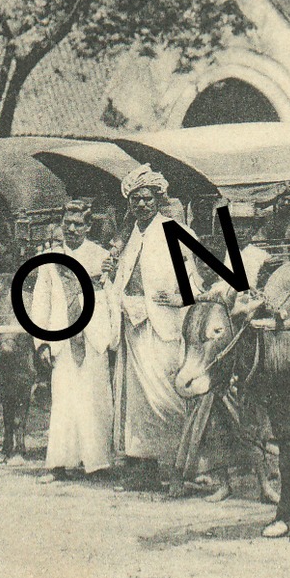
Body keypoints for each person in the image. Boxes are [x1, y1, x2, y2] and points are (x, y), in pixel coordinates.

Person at [109, 164, 228, 497]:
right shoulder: (131, 235)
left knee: (169, 395)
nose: (142, 205)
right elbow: (124, 278)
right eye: (136, 200)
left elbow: (195, 283)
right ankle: (142, 466)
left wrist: (177, 298)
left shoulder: (174, 231)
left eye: (147, 199)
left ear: (157, 199)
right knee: (137, 402)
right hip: (133, 326)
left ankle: (192, 465)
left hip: (166, 326)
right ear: (129, 203)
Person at [33, 201, 119, 483]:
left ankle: (98, 464)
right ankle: (58, 464)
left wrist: (113, 338)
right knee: (64, 400)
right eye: (67, 223)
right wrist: (42, 343)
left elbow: (111, 300)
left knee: (96, 400)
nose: (71, 229)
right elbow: (41, 300)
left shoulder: (101, 256)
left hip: (94, 339)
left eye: (78, 224)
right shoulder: (49, 258)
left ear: (88, 226)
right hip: (62, 340)